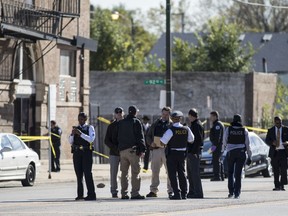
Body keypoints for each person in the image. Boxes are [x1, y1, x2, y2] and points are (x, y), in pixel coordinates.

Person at [161, 110, 194, 200]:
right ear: (181, 118)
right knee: (182, 173)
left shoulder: (171, 130)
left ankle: (177, 193)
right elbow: (191, 140)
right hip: (182, 154)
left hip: (172, 154)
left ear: (171, 119)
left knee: (172, 174)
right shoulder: (186, 129)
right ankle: (184, 193)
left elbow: (163, 141)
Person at [116, 105, 146, 199]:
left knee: (124, 173)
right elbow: (140, 137)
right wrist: (142, 150)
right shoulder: (136, 121)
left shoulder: (121, 122)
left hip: (122, 151)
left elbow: (118, 136)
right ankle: (135, 193)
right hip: (133, 151)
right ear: (135, 112)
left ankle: (124, 193)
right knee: (135, 172)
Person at [146, 107, 173, 198]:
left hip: (167, 150)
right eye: (163, 114)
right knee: (155, 171)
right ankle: (153, 190)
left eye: (167, 114)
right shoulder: (155, 124)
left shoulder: (172, 125)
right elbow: (148, 136)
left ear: (169, 114)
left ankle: (171, 190)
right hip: (156, 150)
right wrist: (151, 143)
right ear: (161, 114)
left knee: (170, 171)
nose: (165, 116)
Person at [69, 112, 96, 201]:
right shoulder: (76, 128)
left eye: (82, 119)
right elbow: (70, 141)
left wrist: (81, 134)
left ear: (85, 119)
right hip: (77, 153)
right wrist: (73, 134)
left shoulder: (90, 128)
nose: (80, 121)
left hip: (86, 152)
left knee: (87, 173)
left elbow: (91, 140)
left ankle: (91, 194)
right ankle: (80, 194)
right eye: (79, 119)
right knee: (79, 174)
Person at [223, 114, 252, 199]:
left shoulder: (228, 129)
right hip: (241, 153)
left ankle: (231, 192)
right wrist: (250, 156)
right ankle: (237, 193)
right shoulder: (244, 130)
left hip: (231, 153)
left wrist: (224, 150)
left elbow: (224, 141)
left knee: (230, 173)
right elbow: (248, 144)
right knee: (238, 174)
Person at [104, 107, 124, 198]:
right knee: (113, 173)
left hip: (125, 152)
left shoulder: (127, 124)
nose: (119, 113)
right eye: (117, 112)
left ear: (123, 113)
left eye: (120, 112)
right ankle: (114, 191)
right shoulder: (111, 126)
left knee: (125, 173)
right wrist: (115, 148)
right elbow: (106, 140)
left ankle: (125, 191)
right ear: (115, 114)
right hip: (114, 153)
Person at [265, 116, 288, 191]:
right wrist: (272, 142)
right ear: (274, 122)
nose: (279, 124)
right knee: (276, 170)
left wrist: (287, 142)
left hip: (283, 152)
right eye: (277, 123)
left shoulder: (286, 129)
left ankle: (282, 185)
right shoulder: (271, 130)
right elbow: (267, 140)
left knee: (283, 169)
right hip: (275, 152)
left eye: (280, 122)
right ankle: (277, 185)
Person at [186, 108, 204, 199]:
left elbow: (198, 140)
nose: (188, 118)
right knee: (190, 173)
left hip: (195, 152)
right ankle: (192, 191)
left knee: (195, 174)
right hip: (192, 152)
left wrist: (193, 152)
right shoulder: (194, 124)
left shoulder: (197, 125)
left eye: (189, 116)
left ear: (191, 116)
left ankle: (198, 193)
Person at [209, 111, 225, 181]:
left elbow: (217, 138)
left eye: (211, 116)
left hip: (217, 146)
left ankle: (217, 176)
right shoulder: (216, 124)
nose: (210, 118)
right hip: (218, 145)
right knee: (218, 161)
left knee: (216, 160)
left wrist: (213, 148)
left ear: (215, 116)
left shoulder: (217, 125)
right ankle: (221, 175)